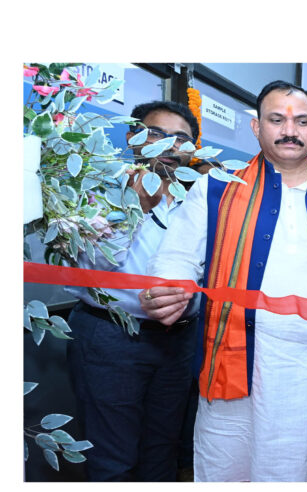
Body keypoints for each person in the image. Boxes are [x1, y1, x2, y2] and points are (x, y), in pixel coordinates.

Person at [139, 80, 307, 482]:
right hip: (239, 357)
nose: (290, 131)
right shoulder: (216, 188)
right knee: (232, 464)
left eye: (302, 121)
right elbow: (177, 257)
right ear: (256, 127)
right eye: (276, 120)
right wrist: (169, 289)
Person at [65, 101, 200, 481]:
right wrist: (135, 207)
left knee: (162, 450)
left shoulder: (196, 202)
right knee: (113, 457)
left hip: (177, 341)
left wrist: (188, 299)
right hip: (110, 337)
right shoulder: (95, 188)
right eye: (156, 133)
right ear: (133, 136)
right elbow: (92, 268)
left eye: (181, 139)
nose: (169, 145)